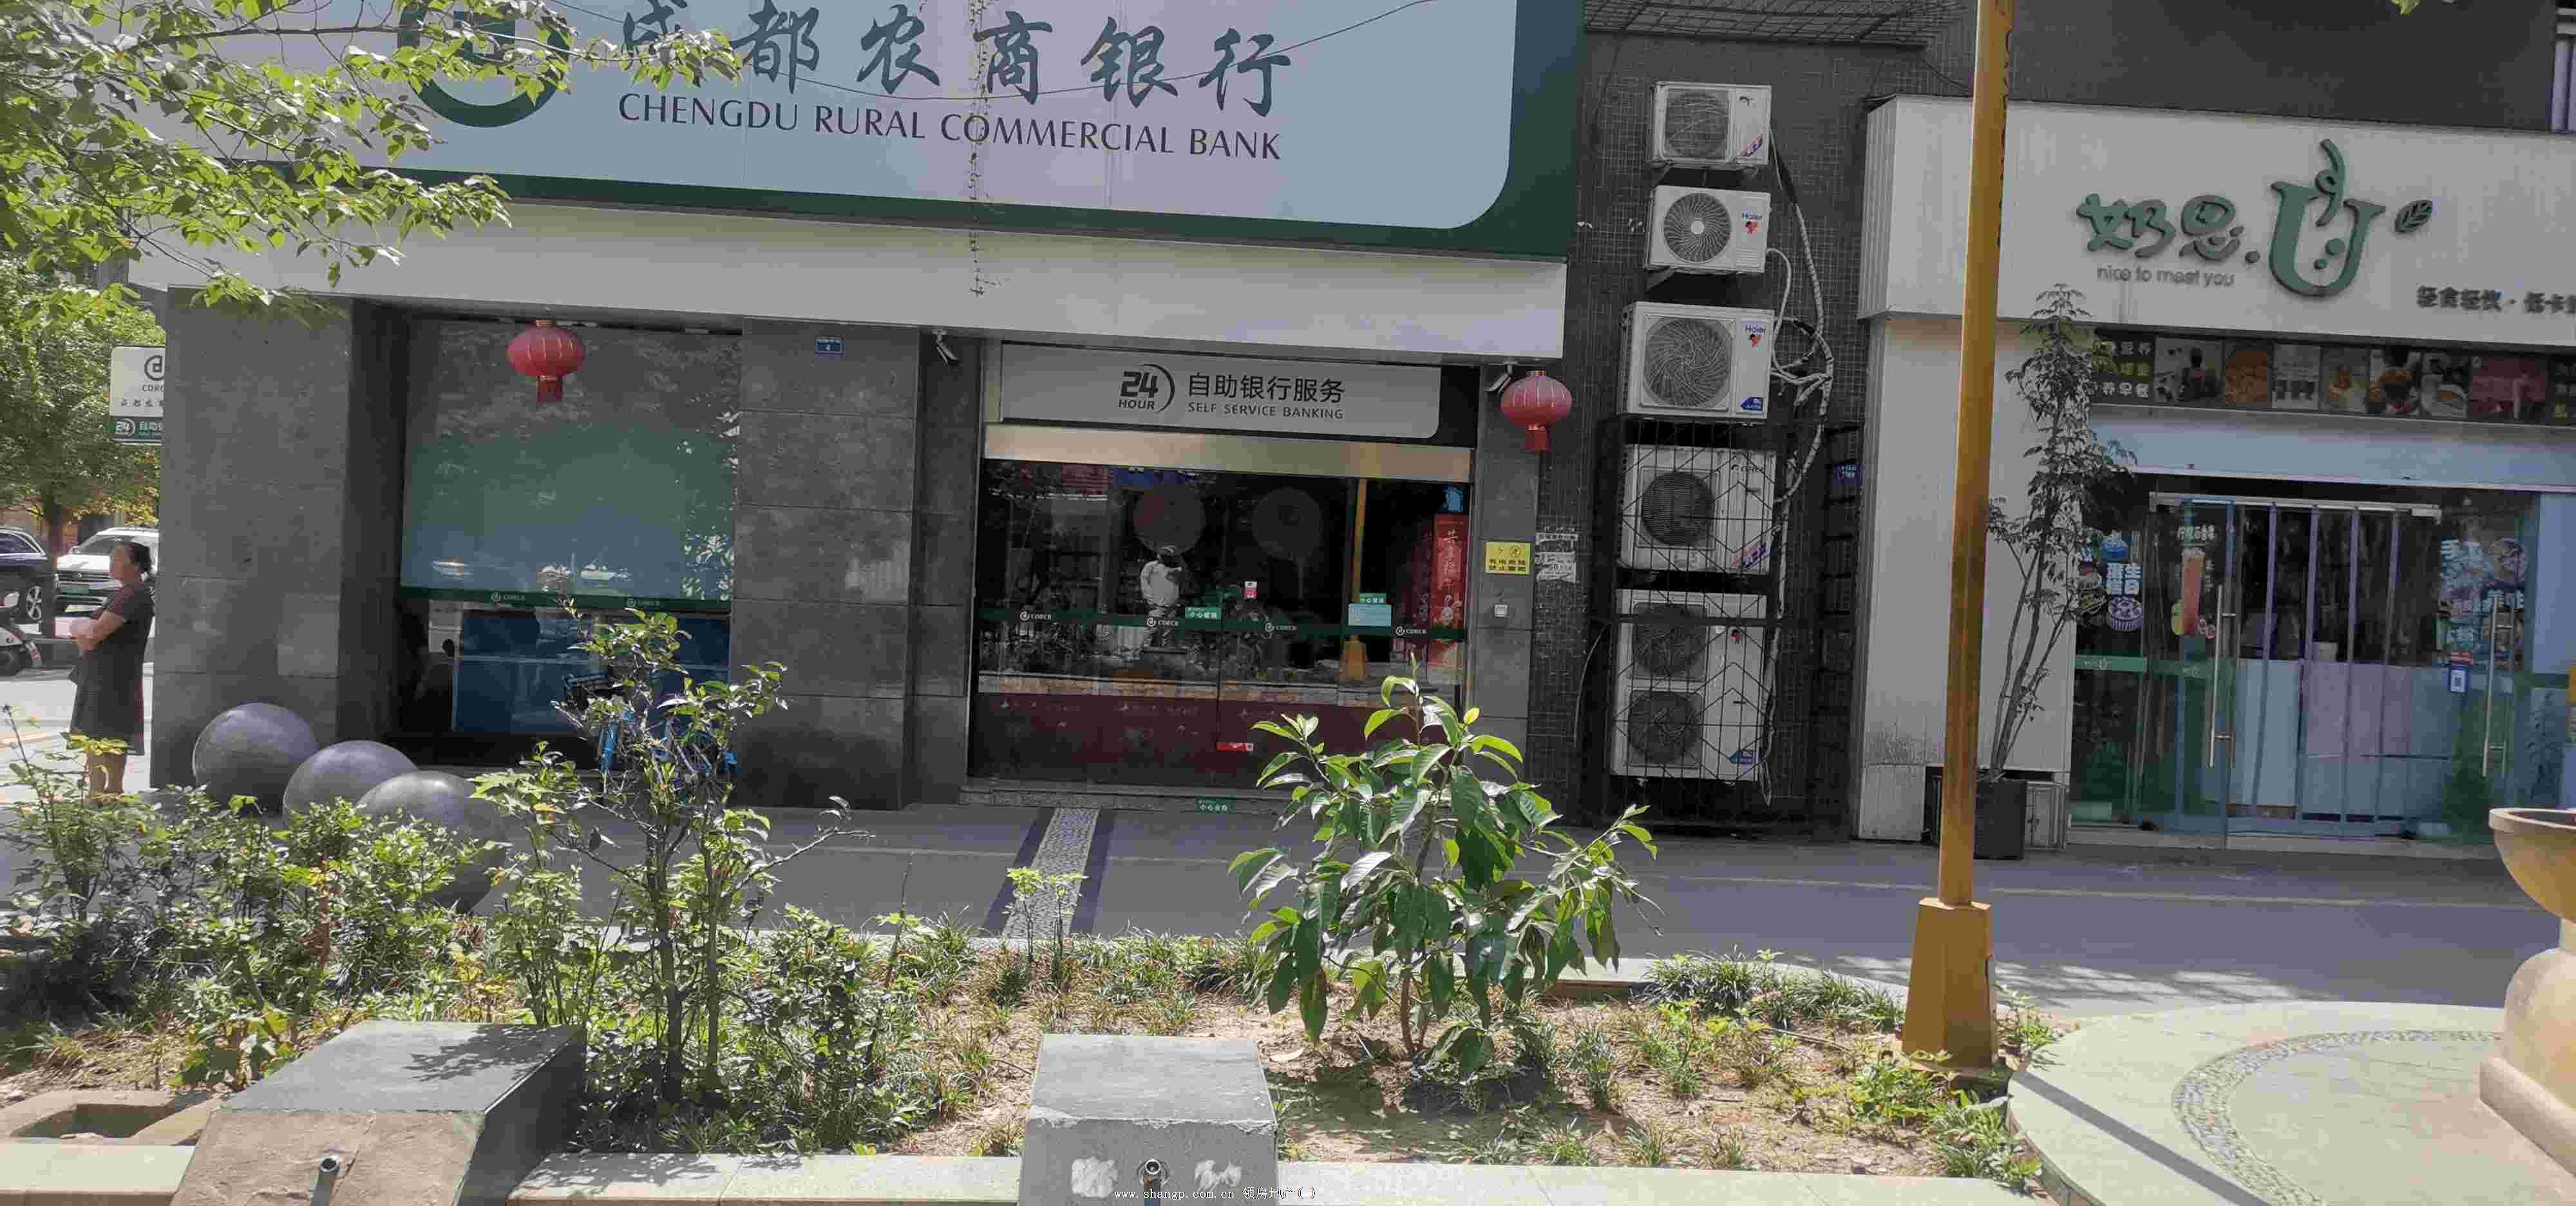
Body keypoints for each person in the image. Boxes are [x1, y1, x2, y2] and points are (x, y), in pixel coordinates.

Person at [69, 540, 153, 799]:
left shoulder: (130, 595)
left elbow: (92, 636)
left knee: (97, 737)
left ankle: (97, 795)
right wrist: (83, 632)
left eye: (117, 558)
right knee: (115, 736)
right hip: (113, 677)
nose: (111, 562)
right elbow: (88, 636)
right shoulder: (128, 593)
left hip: (108, 679)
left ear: (136, 565)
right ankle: (112, 794)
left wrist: (80, 630)